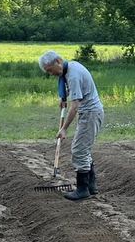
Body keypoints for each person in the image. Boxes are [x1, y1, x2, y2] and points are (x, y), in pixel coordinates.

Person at [38, 50, 104, 200]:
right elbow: (71, 89)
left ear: (58, 61)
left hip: (90, 113)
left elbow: (74, 106)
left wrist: (64, 129)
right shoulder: (70, 67)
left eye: (50, 70)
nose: (51, 74)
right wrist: (63, 97)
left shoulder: (73, 75)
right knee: (83, 149)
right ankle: (91, 186)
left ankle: (82, 189)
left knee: (79, 150)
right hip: (89, 112)